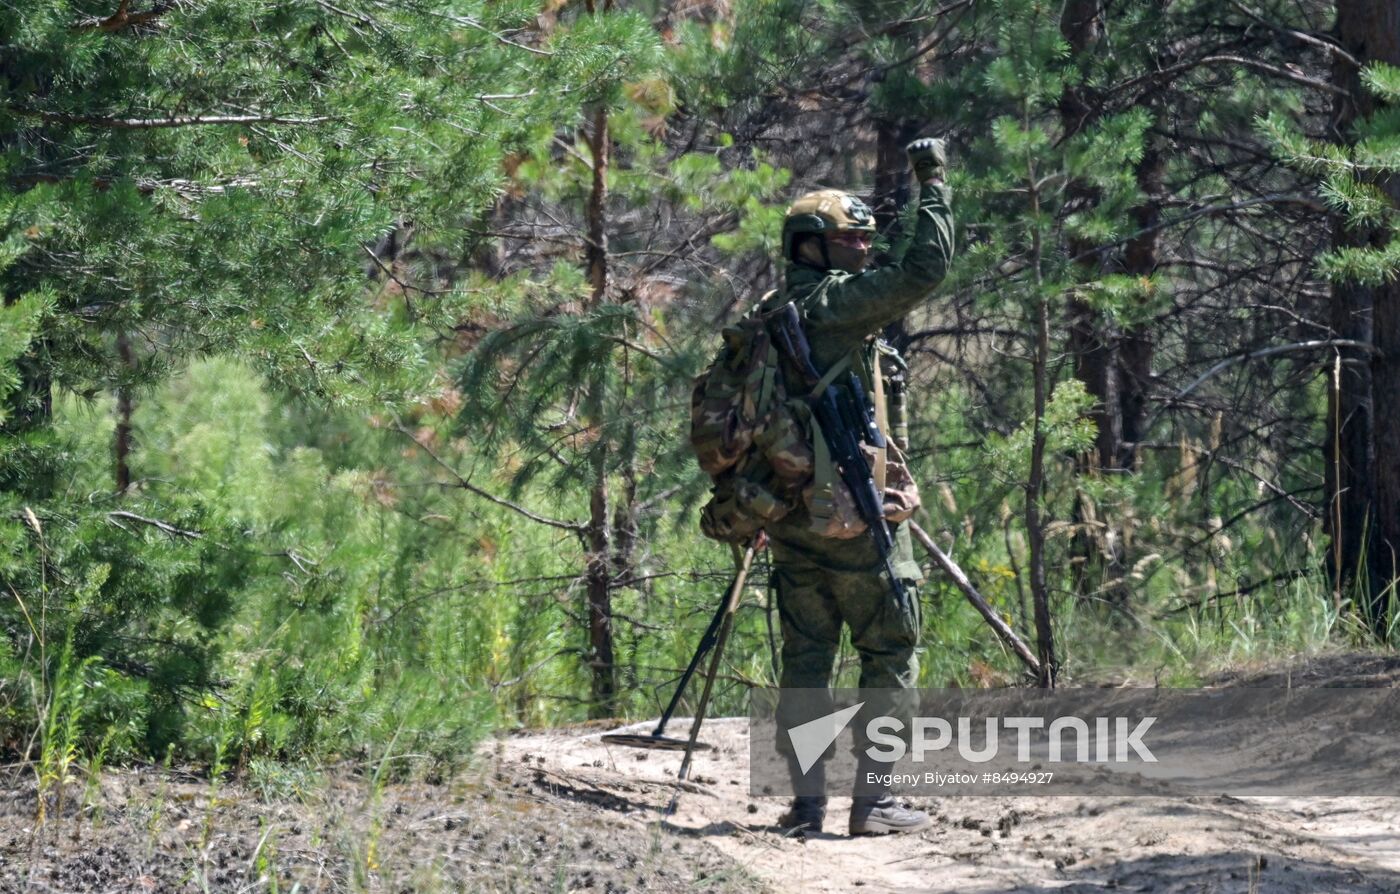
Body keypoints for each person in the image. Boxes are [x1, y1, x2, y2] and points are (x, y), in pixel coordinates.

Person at [760, 137, 954, 836]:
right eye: (852, 239)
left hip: (786, 518)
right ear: (816, 248)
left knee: (807, 659)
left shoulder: (769, 313)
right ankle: (873, 805)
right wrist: (932, 182)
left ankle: (806, 805)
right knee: (889, 650)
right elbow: (926, 266)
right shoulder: (835, 307)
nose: (865, 250)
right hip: (850, 518)